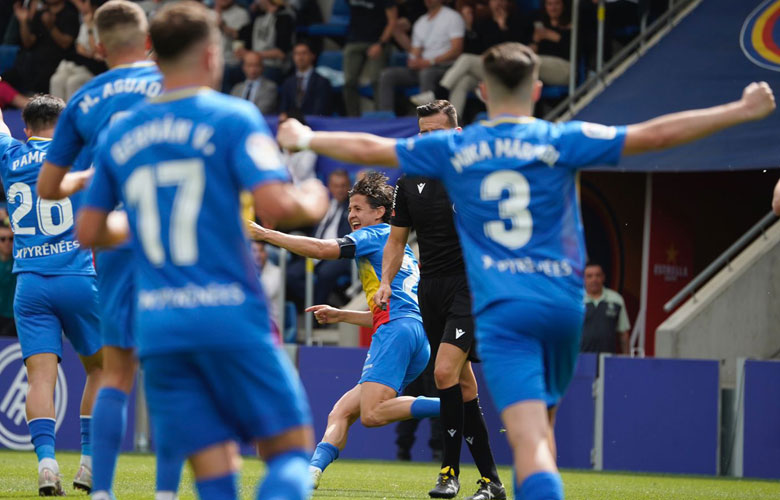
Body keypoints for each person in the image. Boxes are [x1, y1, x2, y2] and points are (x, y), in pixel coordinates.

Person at [275, 41, 775, 500]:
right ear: (537, 89)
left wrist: (306, 137)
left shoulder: (458, 152)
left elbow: (369, 150)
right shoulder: (561, 138)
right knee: (522, 419)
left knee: (529, 439)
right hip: (559, 303)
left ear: (483, 93)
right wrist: (741, 111)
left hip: (502, 302)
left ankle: (478, 477)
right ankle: (482, 480)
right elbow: (653, 134)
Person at [75, 3, 329, 499]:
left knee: (214, 468)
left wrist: (146, 224)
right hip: (229, 315)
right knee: (291, 451)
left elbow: (88, 230)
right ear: (212, 56)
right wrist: (315, 193)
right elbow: (282, 205)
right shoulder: (232, 116)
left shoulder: (119, 132)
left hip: (160, 326)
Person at [35, 1, 162, 496]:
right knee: (177, 367)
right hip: (174, 238)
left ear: (97, 46)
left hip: (110, 239)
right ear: (147, 40)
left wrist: (83, 179)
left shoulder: (84, 100)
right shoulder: (173, 84)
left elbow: (48, 185)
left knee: (118, 367)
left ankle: (100, 484)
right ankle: (168, 490)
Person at [250, 171, 440, 489]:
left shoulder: (376, 234)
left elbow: (323, 249)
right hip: (415, 335)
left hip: (396, 333)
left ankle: (453, 406)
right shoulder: (401, 250)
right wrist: (342, 315)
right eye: (349, 208)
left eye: (358, 208)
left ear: (379, 212)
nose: (351, 215)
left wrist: (266, 234)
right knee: (342, 411)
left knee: (373, 414)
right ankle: (312, 474)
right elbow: (394, 311)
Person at [0, 64, 104, 496]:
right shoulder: (77, 153)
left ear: (26, 126)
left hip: (29, 283)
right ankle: (88, 465)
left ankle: (47, 465)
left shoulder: (10, 156)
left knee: (41, 380)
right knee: (103, 371)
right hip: (77, 277)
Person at [378, 99, 504, 499]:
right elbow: (397, 241)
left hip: (470, 286)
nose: (429, 140)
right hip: (430, 289)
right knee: (462, 386)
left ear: (458, 133)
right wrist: (385, 282)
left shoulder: (476, 177)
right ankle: (492, 482)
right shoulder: (407, 180)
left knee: (445, 373)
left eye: (437, 132)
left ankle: (448, 472)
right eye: (423, 134)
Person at [284, 168, 352, 312]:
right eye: (336, 186)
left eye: (343, 186)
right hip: (314, 250)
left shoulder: (353, 207)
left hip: (337, 252)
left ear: (348, 187)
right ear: (329, 186)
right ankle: (322, 304)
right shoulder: (322, 204)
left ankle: (317, 315)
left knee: (325, 274)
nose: (339, 190)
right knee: (290, 275)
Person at [377, 0, 464, 113]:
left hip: (444, 68)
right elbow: (415, 52)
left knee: (427, 73)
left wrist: (429, 62)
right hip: (422, 67)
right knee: (387, 75)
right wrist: (413, 60)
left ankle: (426, 119)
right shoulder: (421, 21)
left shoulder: (453, 17)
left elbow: (456, 50)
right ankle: (386, 117)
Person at [6, 0, 81, 94]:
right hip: (35, 63)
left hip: (59, 63)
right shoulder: (40, 13)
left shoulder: (70, 14)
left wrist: (51, 27)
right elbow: (28, 42)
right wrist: (23, 22)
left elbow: (65, 44)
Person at [341, 0, 397, 116]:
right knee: (348, 82)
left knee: (377, 80)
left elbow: (392, 21)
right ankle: (353, 118)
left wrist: (380, 44)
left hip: (377, 41)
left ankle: (379, 117)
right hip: (353, 41)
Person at [580, 262, 631, 354]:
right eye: (589, 276)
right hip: (581, 357)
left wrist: (626, 359)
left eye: (598, 275)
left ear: (603, 277)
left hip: (608, 358)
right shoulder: (576, 300)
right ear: (583, 279)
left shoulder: (616, 299)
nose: (594, 279)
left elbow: (623, 333)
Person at [278, 42, 333, 116]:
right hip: (292, 125)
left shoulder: (322, 82)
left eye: (304, 53)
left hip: (316, 125)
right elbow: (283, 109)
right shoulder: (288, 82)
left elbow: (321, 110)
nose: (300, 57)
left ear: (313, 55)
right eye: (297, 54)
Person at [530, 0, 571, 86]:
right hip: (541, 66)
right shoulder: (538, 22)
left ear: (563, 5)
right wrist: (536, 41)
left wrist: (556, 37)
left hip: (565, 68)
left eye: (557, 4)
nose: (553, 8)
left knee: (529, 64)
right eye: (549, 4)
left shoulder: (572, 23)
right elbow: (530, 52)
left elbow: (575, 53)